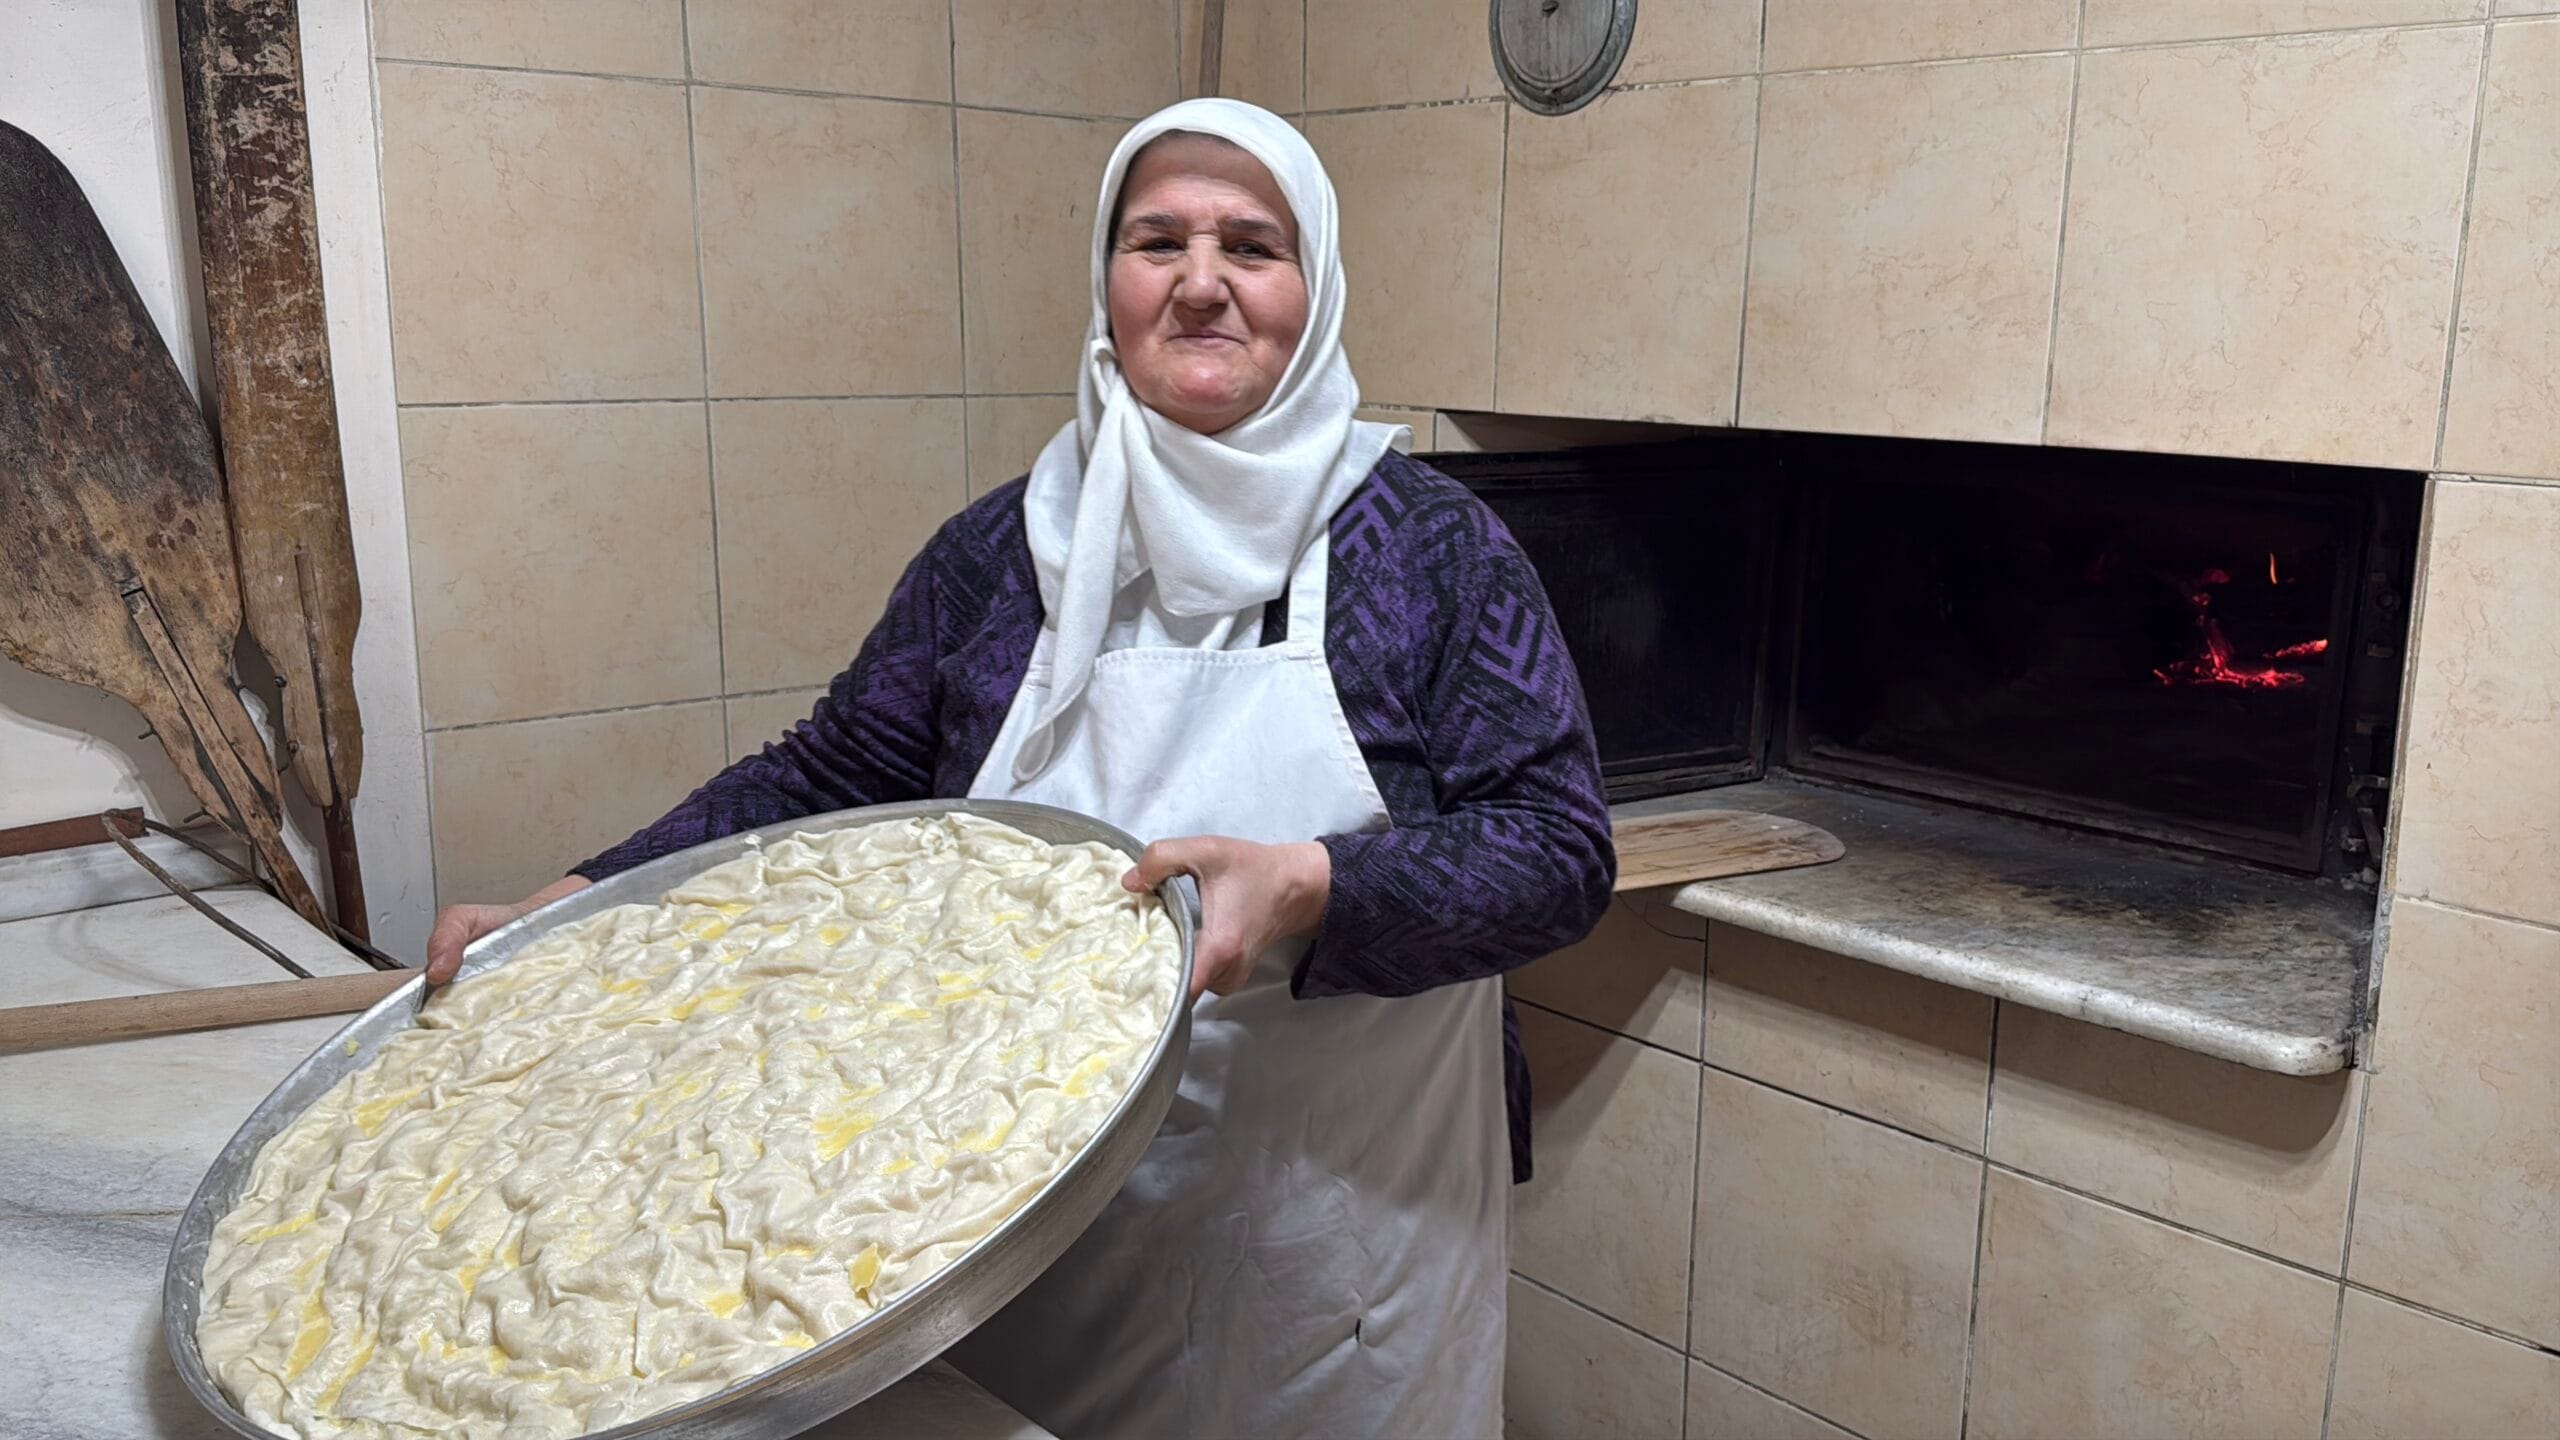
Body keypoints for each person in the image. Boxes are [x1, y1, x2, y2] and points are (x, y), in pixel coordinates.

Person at [422, 98, 1613, 1439]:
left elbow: (1558, 852)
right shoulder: (1006, 551)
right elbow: (831, 777)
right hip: (1023, 1221)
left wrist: (1308, 884)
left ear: (1316, 285)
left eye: (1250, 246)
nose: (1202, 283)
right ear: (1107, 284)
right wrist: (585, 901)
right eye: (1157, 242)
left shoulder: (1433, 550)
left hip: (1330, 1236)